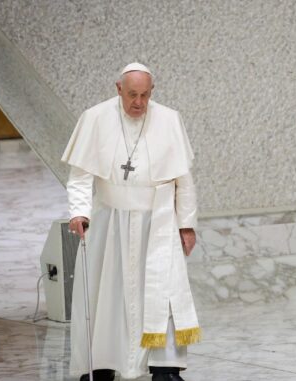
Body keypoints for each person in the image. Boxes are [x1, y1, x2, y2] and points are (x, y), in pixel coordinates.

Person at [62, 62, 200, 381]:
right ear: (118, 89)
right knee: (106, 294)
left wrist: (187, 224)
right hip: (108, 221)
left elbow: (184, 178)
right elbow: (81, 177)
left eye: (145, 95)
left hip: (159, 221)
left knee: (163, 293)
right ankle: (101, 365)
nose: (138, 103)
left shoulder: (169, 119)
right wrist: (79, 212)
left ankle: (165, 368)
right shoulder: (94, 118)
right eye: (132, 95)